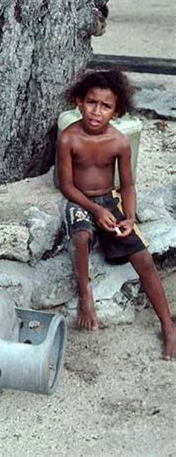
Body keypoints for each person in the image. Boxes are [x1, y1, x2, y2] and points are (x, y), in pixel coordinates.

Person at [57, 69, 175, 359]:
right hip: (78, 200)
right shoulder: (69, 139)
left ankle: (168, 326)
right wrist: (95, 210)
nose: (96, 111)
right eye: (91, 102)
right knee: (82, 234)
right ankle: (86, 294)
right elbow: (66, 186)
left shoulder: (119, 142)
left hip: (108, 200)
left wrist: (129, 217)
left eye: (105, 106)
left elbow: (129, 185)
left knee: (143, 258)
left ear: (117, 110)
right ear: (78, 102)